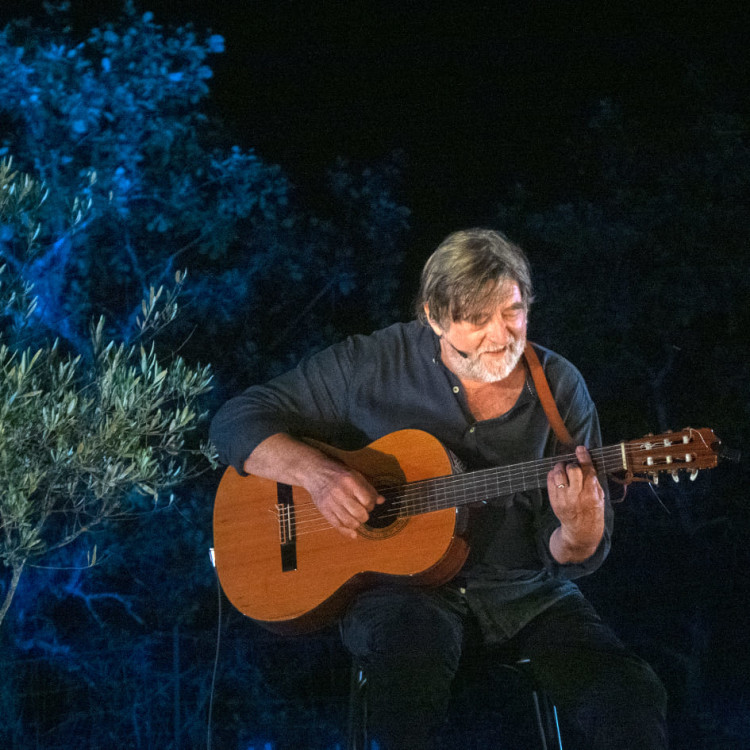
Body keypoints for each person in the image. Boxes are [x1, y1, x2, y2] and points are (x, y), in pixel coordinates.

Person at [210, 228, 668, 749]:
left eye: (513, 313)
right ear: (433, 317)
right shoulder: (372, 364)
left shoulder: (560, 388)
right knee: (408, 675)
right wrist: (319, 475)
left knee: (630, 695)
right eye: (477, 320)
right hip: (402, 596)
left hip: (524, 595)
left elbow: (570, 553)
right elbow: (235, 420)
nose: (501, 336)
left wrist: (579, 528)